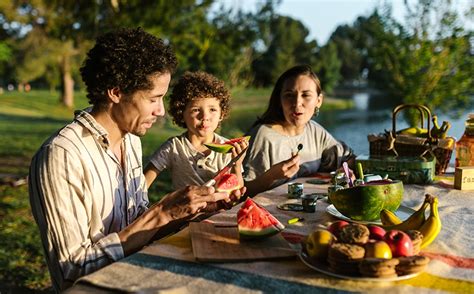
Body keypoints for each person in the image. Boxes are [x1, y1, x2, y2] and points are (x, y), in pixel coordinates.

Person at [28, 28, 245, 292]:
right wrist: (160, 214)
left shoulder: (131, 140)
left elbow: (137, 228)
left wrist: (190, 211)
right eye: (154, 98)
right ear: (116, 92)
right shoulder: (60, 157)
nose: (161, 110)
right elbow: (70, 272)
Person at [243, 64, 356, 196]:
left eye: (306, 95)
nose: (297, 103)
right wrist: (271, 176)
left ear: (318, 101)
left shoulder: (314, 131)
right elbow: (243, 192)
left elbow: (347, 157)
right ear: (280, 100)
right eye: (289, 95)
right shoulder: (263, 136)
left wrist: (345, 170)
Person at [144, 71, 248, 190]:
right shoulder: (173, 147)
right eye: (196, 110)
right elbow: (143, 183)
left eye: (212, 109)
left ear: (221, 114)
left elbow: (237, 191)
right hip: (183, 208)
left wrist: (237, 164)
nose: (205, 117)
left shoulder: (228, 149)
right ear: (181, 113)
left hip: (220, 208)